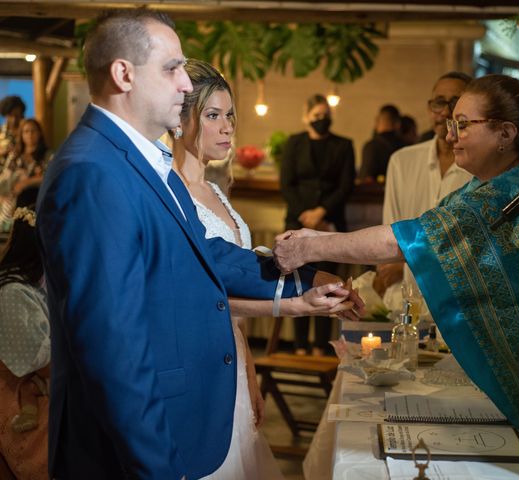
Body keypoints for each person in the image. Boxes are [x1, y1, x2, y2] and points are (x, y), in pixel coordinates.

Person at [36, 11, 361, 480]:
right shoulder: (93, 173)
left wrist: (305, 279)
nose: (186, 84)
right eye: (172, 68)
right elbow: (114, 352)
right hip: (131, 448)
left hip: (188, 415)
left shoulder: (145, 160)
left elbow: (207, 254)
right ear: (123, 74)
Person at [274, 74, 519, 437]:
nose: (451, 136)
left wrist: (312, 245)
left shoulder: (510, 191)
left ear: (506, 134)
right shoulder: (487, 186)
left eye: (463, 125)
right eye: (452, 123)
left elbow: (410, 239)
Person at [171, 59, 356, 479]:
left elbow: (238, 283)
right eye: (213, 116)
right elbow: (206, 291)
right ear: (180, 121)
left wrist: (250, 371)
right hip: (196, 357)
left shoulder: (215, 189)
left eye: (230, 116)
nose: (227, 127)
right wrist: (295, 303)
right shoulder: (171, 192)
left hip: (233, 354)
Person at [375, 72, 473, 300]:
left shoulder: (479, 168)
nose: (446, 112)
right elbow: (391, 232)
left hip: (458, 302)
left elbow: (469, 248)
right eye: (439, 103)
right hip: (404, 300)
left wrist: (407, 268)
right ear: (430, 108)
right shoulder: (402, 161)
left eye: (455, 103)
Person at [280, 94, 356, 356]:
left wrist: (322, 212)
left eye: (326, 115)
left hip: (330, 222)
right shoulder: (294, 144)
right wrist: (307, 214)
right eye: (317, 116)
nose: (322, 120)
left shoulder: (343, 145)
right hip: (298, 221)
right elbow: (287, 184)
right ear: (306, 117)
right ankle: (300, 345)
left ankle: (321, 346)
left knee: (328, 284)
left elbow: (346, 185)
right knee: (299, 283)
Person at [0, 186, 49, 480]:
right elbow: (43, 366)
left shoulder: (42, 280)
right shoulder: (13, 292)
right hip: (21, 399)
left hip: (47, 385)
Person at [0, 119, 51, 232]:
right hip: (13, 203)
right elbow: (4, 180)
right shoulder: (15, 156)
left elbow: (51, 178)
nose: (30, 135)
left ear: (40, 133)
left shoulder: (47, 155)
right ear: (21, 134)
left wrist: (26, 183)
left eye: (33, 131)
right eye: (26, 131)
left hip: (37, 201)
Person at [358, 104, 404, 182]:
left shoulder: (371, 146)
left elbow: (366, 178)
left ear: (377, 120)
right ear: (398, 124)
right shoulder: (404, 146)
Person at [0, 96, 25, 161]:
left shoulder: (26, 131)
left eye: (17, 115)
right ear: (5, 115)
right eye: (10, 115)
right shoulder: (1, 131)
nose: (14, 119)